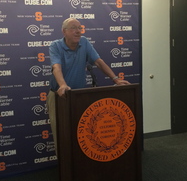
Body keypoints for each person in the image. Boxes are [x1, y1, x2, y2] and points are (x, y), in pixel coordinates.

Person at [46, 18, 130, 153]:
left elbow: (98, 62)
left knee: (82, 133)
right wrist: (62, 85)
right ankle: (65, 168)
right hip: (58, 96)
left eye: (80, 28)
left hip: (79, 96)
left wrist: (116, 79)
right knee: (61, 133)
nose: (78, 31)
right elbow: (56, 67)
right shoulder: (55, 46)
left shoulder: (84, 42)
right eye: (73, 28)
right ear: (64, 31)